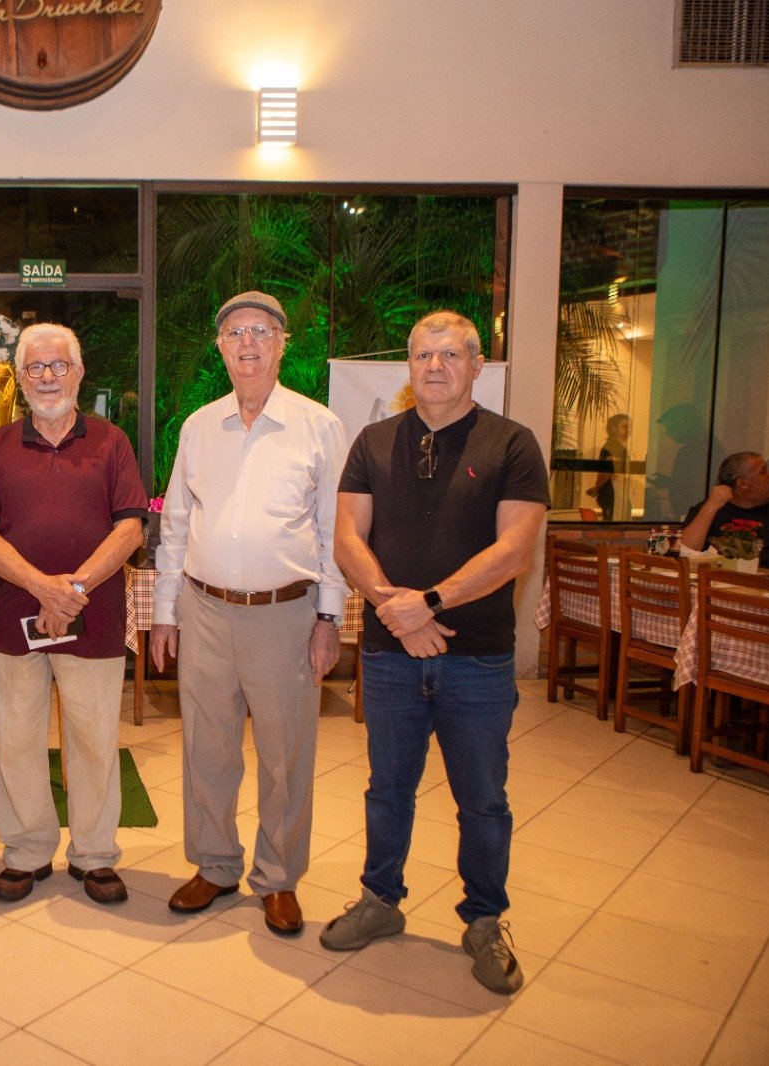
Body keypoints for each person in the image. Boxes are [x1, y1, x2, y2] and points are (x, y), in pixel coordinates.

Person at [323, 310, 548, 996]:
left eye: (451, 355)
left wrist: (431, 603)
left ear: (477, 365)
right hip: (391, 656)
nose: (436, 367)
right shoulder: (374, 441)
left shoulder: (512, 443)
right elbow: (347, 538)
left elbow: (515, 550)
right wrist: (396, 608)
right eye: (423, 355)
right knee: (387, 789)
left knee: (482, 799)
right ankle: (380, 900)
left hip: (476, 658)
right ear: (409, 366)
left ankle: (484, 920)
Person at [150, 290, 346, 937]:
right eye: (235, 333)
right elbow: (176, 524)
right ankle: (214, 864)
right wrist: (165, 612)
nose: (248, 344)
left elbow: (334, 530)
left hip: (287, 616)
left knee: (285, 754)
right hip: (204, 610)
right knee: (207, 749)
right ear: (220, 348)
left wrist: (329, 619)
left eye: (261, 331)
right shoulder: (200, 427)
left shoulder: (319, 426)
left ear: (282, 344)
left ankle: (278, 877)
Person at [0, 323, 148, 905]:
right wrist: (43, 588)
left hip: (94, 615)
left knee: (94, 739)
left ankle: (94, 855)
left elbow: (131, 527)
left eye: (58, 365)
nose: (48, 377)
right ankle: (26, 852)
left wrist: (73, 589)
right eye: (36, 367)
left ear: (79, 372)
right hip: (14, 614)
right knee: (17, 739)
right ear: (21, 378)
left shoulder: (112, 442)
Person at [677, 451, 769, 570]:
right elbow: (686, 551)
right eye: (763, 471)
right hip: (724, 579)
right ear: (742, 483)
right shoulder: (711, 508)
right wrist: (710, 507)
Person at [585, 413, 630, 521]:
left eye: (629, 427)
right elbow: (606, 472)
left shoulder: (615, 446)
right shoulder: (613, 447)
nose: (628, 430)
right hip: (612, 494)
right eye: (624, 427)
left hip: (613, 493)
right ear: (614, 428)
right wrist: (597, 488)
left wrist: (596, 488)